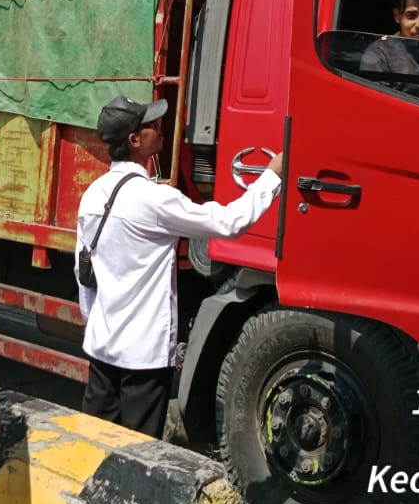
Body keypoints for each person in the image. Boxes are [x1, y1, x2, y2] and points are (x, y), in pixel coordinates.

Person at [75, 94, 283, 439]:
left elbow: (84, 275)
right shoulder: (154, 199)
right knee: (138, 450)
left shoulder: (93, 194)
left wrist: (96, 325)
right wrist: (271, 177)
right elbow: (228, 222)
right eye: (151, 125)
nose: (160, 129)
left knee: (94, 442)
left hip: (101, 346)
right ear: (134, 140)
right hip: (142, 355)